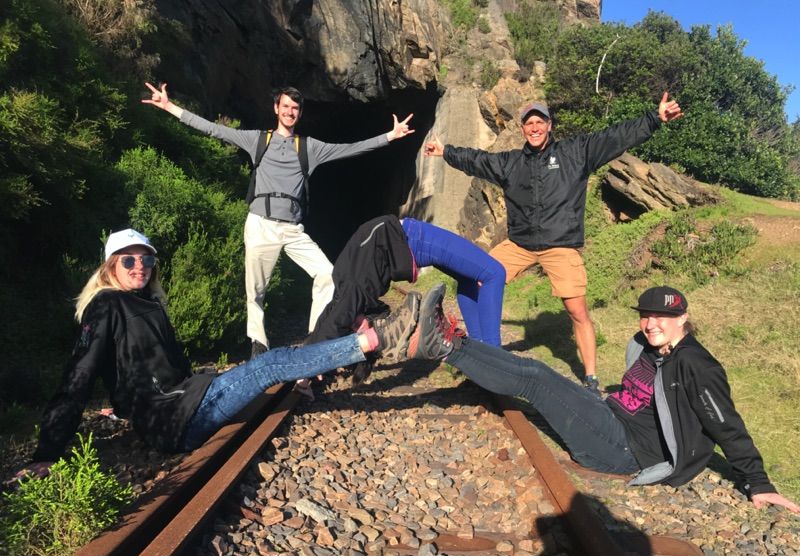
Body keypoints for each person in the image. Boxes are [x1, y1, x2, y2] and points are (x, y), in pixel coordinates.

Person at [13, 229, 419, 480]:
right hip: (174, 421)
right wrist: (47, 453)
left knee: (266, 367)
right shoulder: (106, 305)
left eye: (147, 259)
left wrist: (122, 405)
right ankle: (376, 340)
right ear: (110, 266)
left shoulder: (149, 305)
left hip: (182, 404)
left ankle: (361, 343)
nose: (140, 266)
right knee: (269, 365)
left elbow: (155, 368)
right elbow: (79, 375)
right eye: (130, 260)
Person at [405, 283, 800, 513]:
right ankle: (452, 339)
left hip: (624, 450)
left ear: (683, 319)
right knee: (533, 370)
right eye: (645, 315)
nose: (651, 324)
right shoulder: (651, 346)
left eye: (662, 317)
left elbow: (726, 424)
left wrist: (757, 481)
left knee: (536, 380)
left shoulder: (697, 365)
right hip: (610, 418)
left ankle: (444, 347)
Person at [424, 92, 683, 395]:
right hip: (519, 245)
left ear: (549, 126)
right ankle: (482, 352)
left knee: (577, 312)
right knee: (474, 280)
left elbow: (615, 137)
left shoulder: (576, 153)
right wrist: (445, 151)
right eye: (529, 123)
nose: (534, 127)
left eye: (540, 122)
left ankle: (591, 379)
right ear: (523, 129)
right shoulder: (511, 163)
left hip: (560, 246)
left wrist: (654, 118)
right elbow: (478, 160)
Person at [142, 82, 415, 357]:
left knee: (327, 274)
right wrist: (169, 106)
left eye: (295, 108)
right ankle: (258, 345)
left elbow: (350, 149)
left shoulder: (309, 147)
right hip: (260, 224)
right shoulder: (258, 140)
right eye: (285, 106)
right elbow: (213, 129)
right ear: (276, 108)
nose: (289, 112)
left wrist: (390, 136)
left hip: (293, 229)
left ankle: (316, 336)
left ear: (300, 113)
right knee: (255, 291)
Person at [307, 215, 506, 350]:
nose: (362, 331)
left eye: (357, 330)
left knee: (469, 278)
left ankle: (481, 349)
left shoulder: (349, 294)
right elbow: (333, 321)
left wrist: (308, 364)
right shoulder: (350, 289)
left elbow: (331, 320)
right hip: (414, 237)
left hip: (406, 236)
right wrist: (308, 368)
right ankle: (494, 354)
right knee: (495, 274)